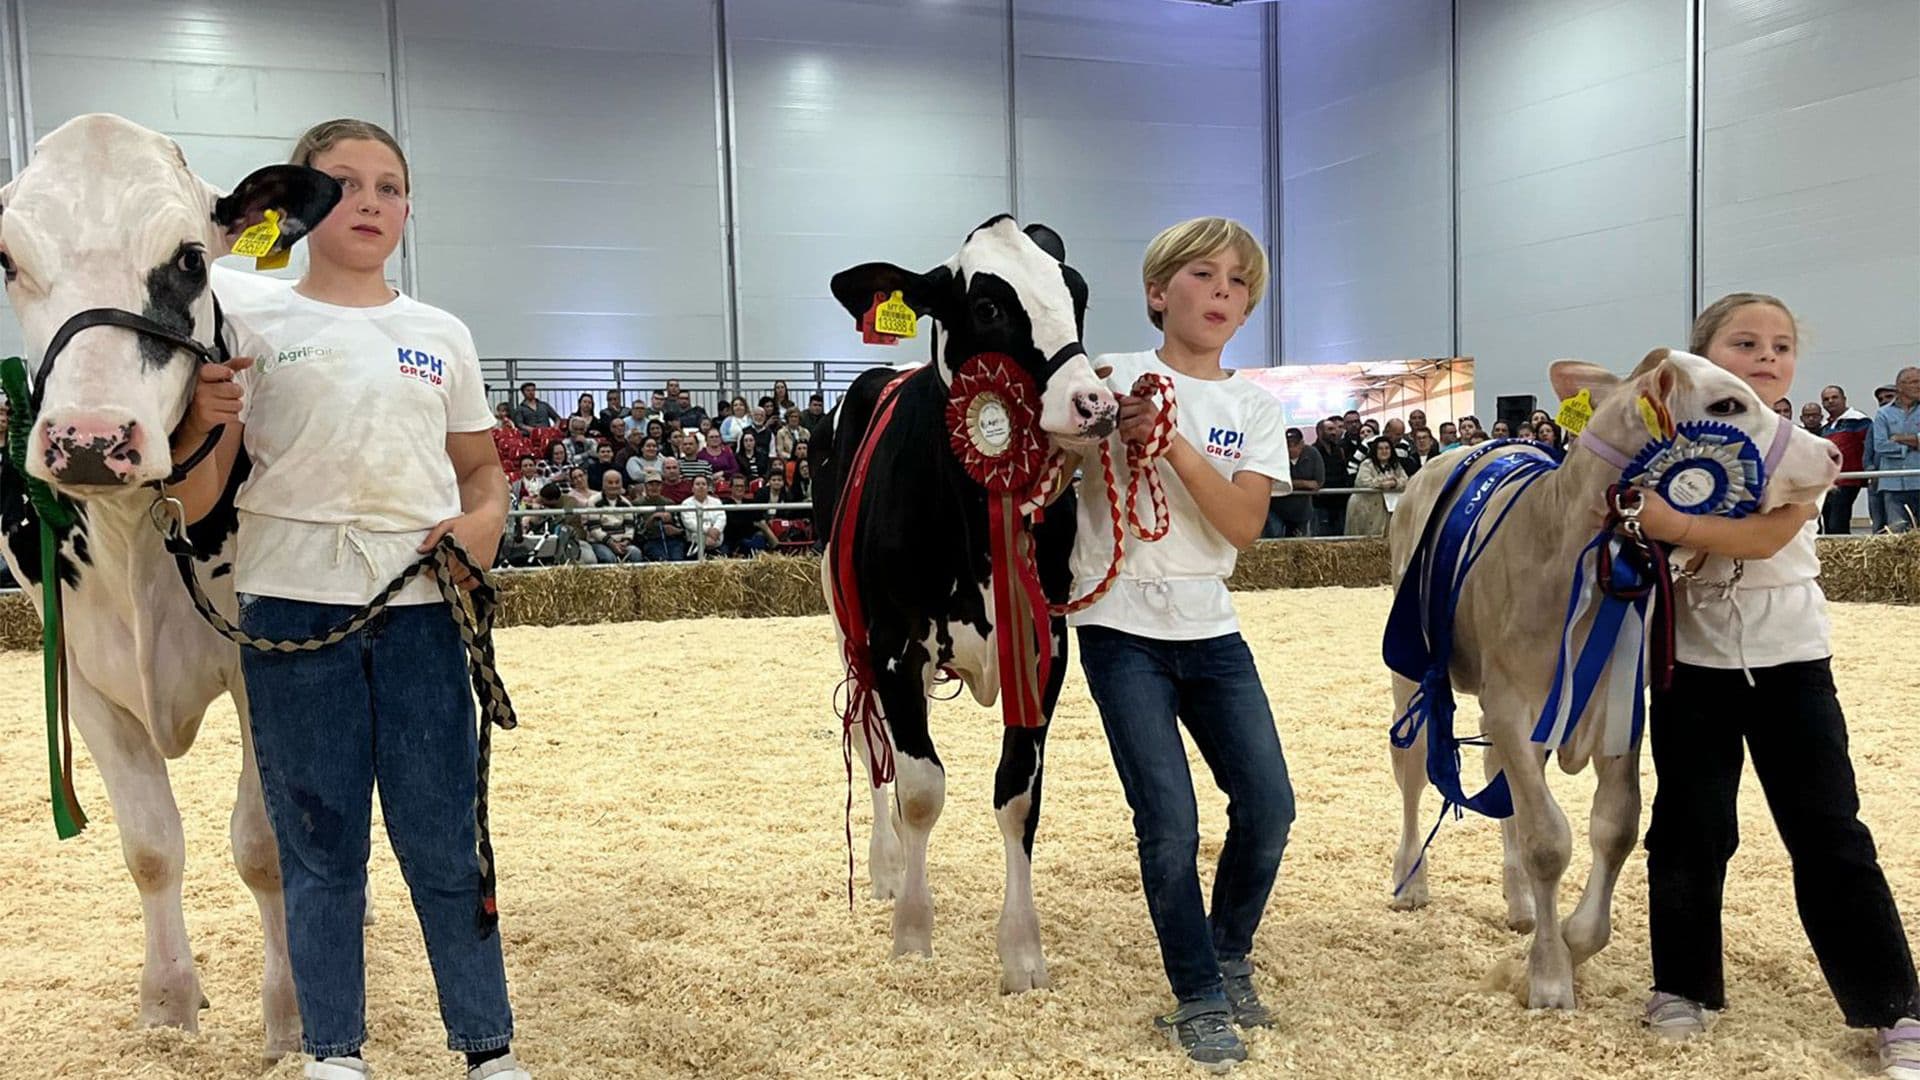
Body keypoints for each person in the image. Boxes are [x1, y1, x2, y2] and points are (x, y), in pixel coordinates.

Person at [170, 118, 530, 1080]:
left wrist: (485, 523)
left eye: (390, 186)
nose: (370, 202)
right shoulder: (250, 323)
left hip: (419, 611)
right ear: (296, 205)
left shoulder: (440, 334)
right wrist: (202, 427)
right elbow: (202, 501)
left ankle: (486, 1047)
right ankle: (335, 1053)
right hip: (290, 611)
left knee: (445, 834)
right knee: (321, 845)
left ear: (409, 209)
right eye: (343, 184)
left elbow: (481, 472)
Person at [1623, 294, 1920, 1079]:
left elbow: (1766, 532)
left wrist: (1672, 525)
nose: (1766, 355)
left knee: (1828, 829)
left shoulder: (1800, 448)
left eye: (1780, 345)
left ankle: (1894, 1007)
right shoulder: (1657, 454)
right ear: (1695, 359)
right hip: (1689, 662)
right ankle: (1681, 985)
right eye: (1744, 341)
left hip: (1791, 662)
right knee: (1688, 828)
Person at [1070, 217, 1293, 1071]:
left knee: (1270, 806)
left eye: (1239, 284)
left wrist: (1172, 449)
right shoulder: (1110, 376)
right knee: (1168, 820)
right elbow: (1060, 466)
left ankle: (1228, 951)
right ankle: (1197, 994)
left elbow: (1241, 525)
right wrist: (1092, 432)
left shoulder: (1254, 407)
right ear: (1161, 292)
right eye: (1205, 276)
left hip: (1211, 625)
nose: (1224, 293)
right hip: (1119, 626)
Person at [1871, 368, 1920, 534]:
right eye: (1915, 382)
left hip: (1918, 480)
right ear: (1900, 386)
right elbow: (1880, 445)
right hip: (1892, 484)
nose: (1919, 386)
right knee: (1897, 534)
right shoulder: (1882, 414)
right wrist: (1913, 443)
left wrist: (1899, 438)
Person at [1819, 384, 1872, 535]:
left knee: (1837, 523)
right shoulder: (1826, 427)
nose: (1830, 401)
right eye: (1826, 399)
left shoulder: (1859, 420)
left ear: (1844, 399)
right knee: (1828, 522)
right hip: (1829, 482)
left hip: (1849, 479)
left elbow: (1870, 447)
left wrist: (1869, 472)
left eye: (1834, 397)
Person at [1265, 427, 1321, 538]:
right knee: (1275, 540)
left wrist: (1288, 483)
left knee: (1301, 544)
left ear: (1302, 443)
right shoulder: (1275, 455)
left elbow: (1318, 482)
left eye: (1295, 445)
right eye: (1288, 445)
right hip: (1276, 510)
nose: (1291, 449)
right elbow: (1272, 481)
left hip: (1302, 510)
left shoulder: (1312, 453)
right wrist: (1304, 484)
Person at [1346, 436, 1405, 537]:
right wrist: (1382, 483)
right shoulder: (1367, 464)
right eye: (1380, 448)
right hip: (1364, 508)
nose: (1384, 451)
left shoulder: (1395, 465)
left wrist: (1395, 483)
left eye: (1387, 448)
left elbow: (1405, 480)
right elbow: (1363, 482)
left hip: (1385, 509)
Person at [584, 470, 644, 564]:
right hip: (600, 543)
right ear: (603, 485)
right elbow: (594, 529)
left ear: (621, 485)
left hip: (622, 543)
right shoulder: (593, 501)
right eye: (610, 482)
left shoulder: (626, 504)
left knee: (635, 553)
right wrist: (611, 543)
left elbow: (630, 527)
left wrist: (625, 542)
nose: (614, 486)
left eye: (617, 482)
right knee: (608, 558)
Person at [1312, 418, 1352, 536]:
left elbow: (1344, 472)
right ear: (1320, 432)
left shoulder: (1339, 450)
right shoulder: (1312, 451)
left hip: (1340, 502)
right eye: (1330, 429)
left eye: (1335, 429)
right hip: (1321, 504)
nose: (1334, 432)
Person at [678, 475, 726, 557]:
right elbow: (690, 524)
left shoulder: (717, 502)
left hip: (716, 541)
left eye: (703, 484)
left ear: (708, 488)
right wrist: (707, 530)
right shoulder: (686, 504)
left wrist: (716, 531)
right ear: (692, 489)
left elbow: (721, 519)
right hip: (694, 544)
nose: (701, 486)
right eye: (697, 484)